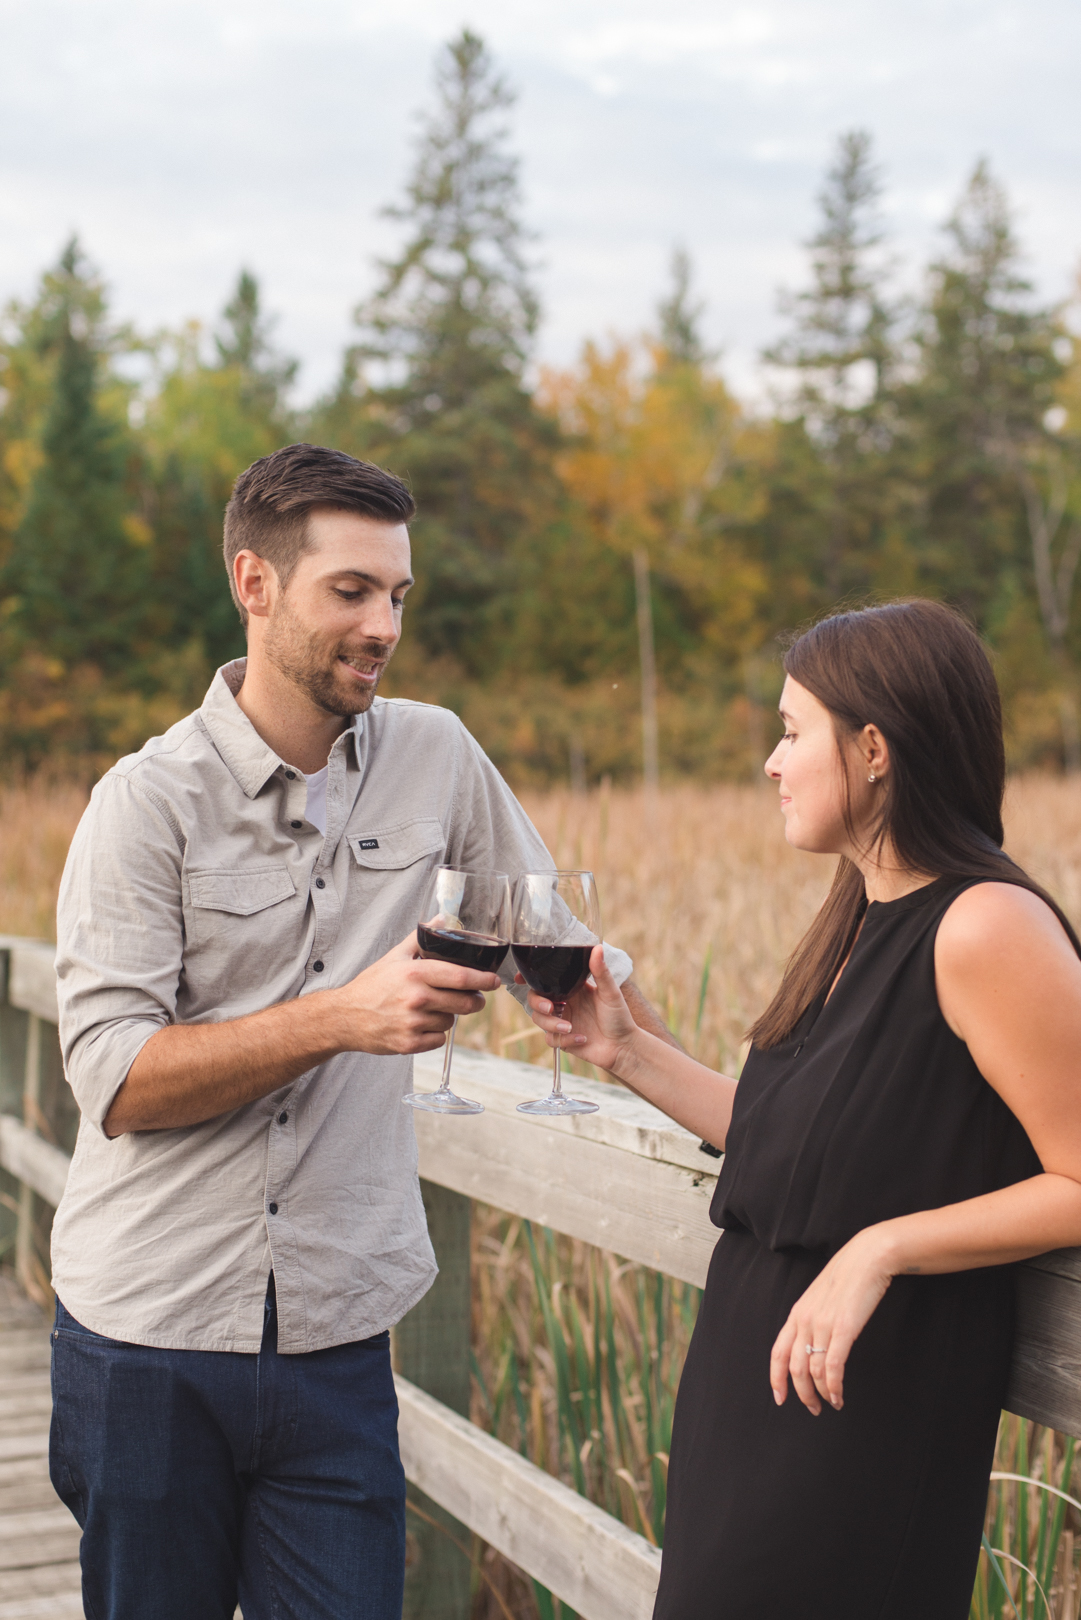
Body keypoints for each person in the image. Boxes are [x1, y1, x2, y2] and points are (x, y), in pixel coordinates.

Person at [48, 442, 673, 1620]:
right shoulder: (145, 803)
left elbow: (545, 922)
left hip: (338, 1333)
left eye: (397, 595)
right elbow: (115, 1081)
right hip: (149, 1335)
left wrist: (624, 1019)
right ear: (255, 584)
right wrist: (341, 1019)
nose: (383, 622)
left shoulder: (437, 752)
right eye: (351, 591)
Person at [522, 599, 1081, 1619]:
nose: (771, 765)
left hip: (861, 1432)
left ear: (872, 749)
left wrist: (879, 1250)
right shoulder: (857, 918)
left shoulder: (984, 926)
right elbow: (806, 1150)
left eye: (790, 733)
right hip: (752, 1413)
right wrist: (628, 1051)